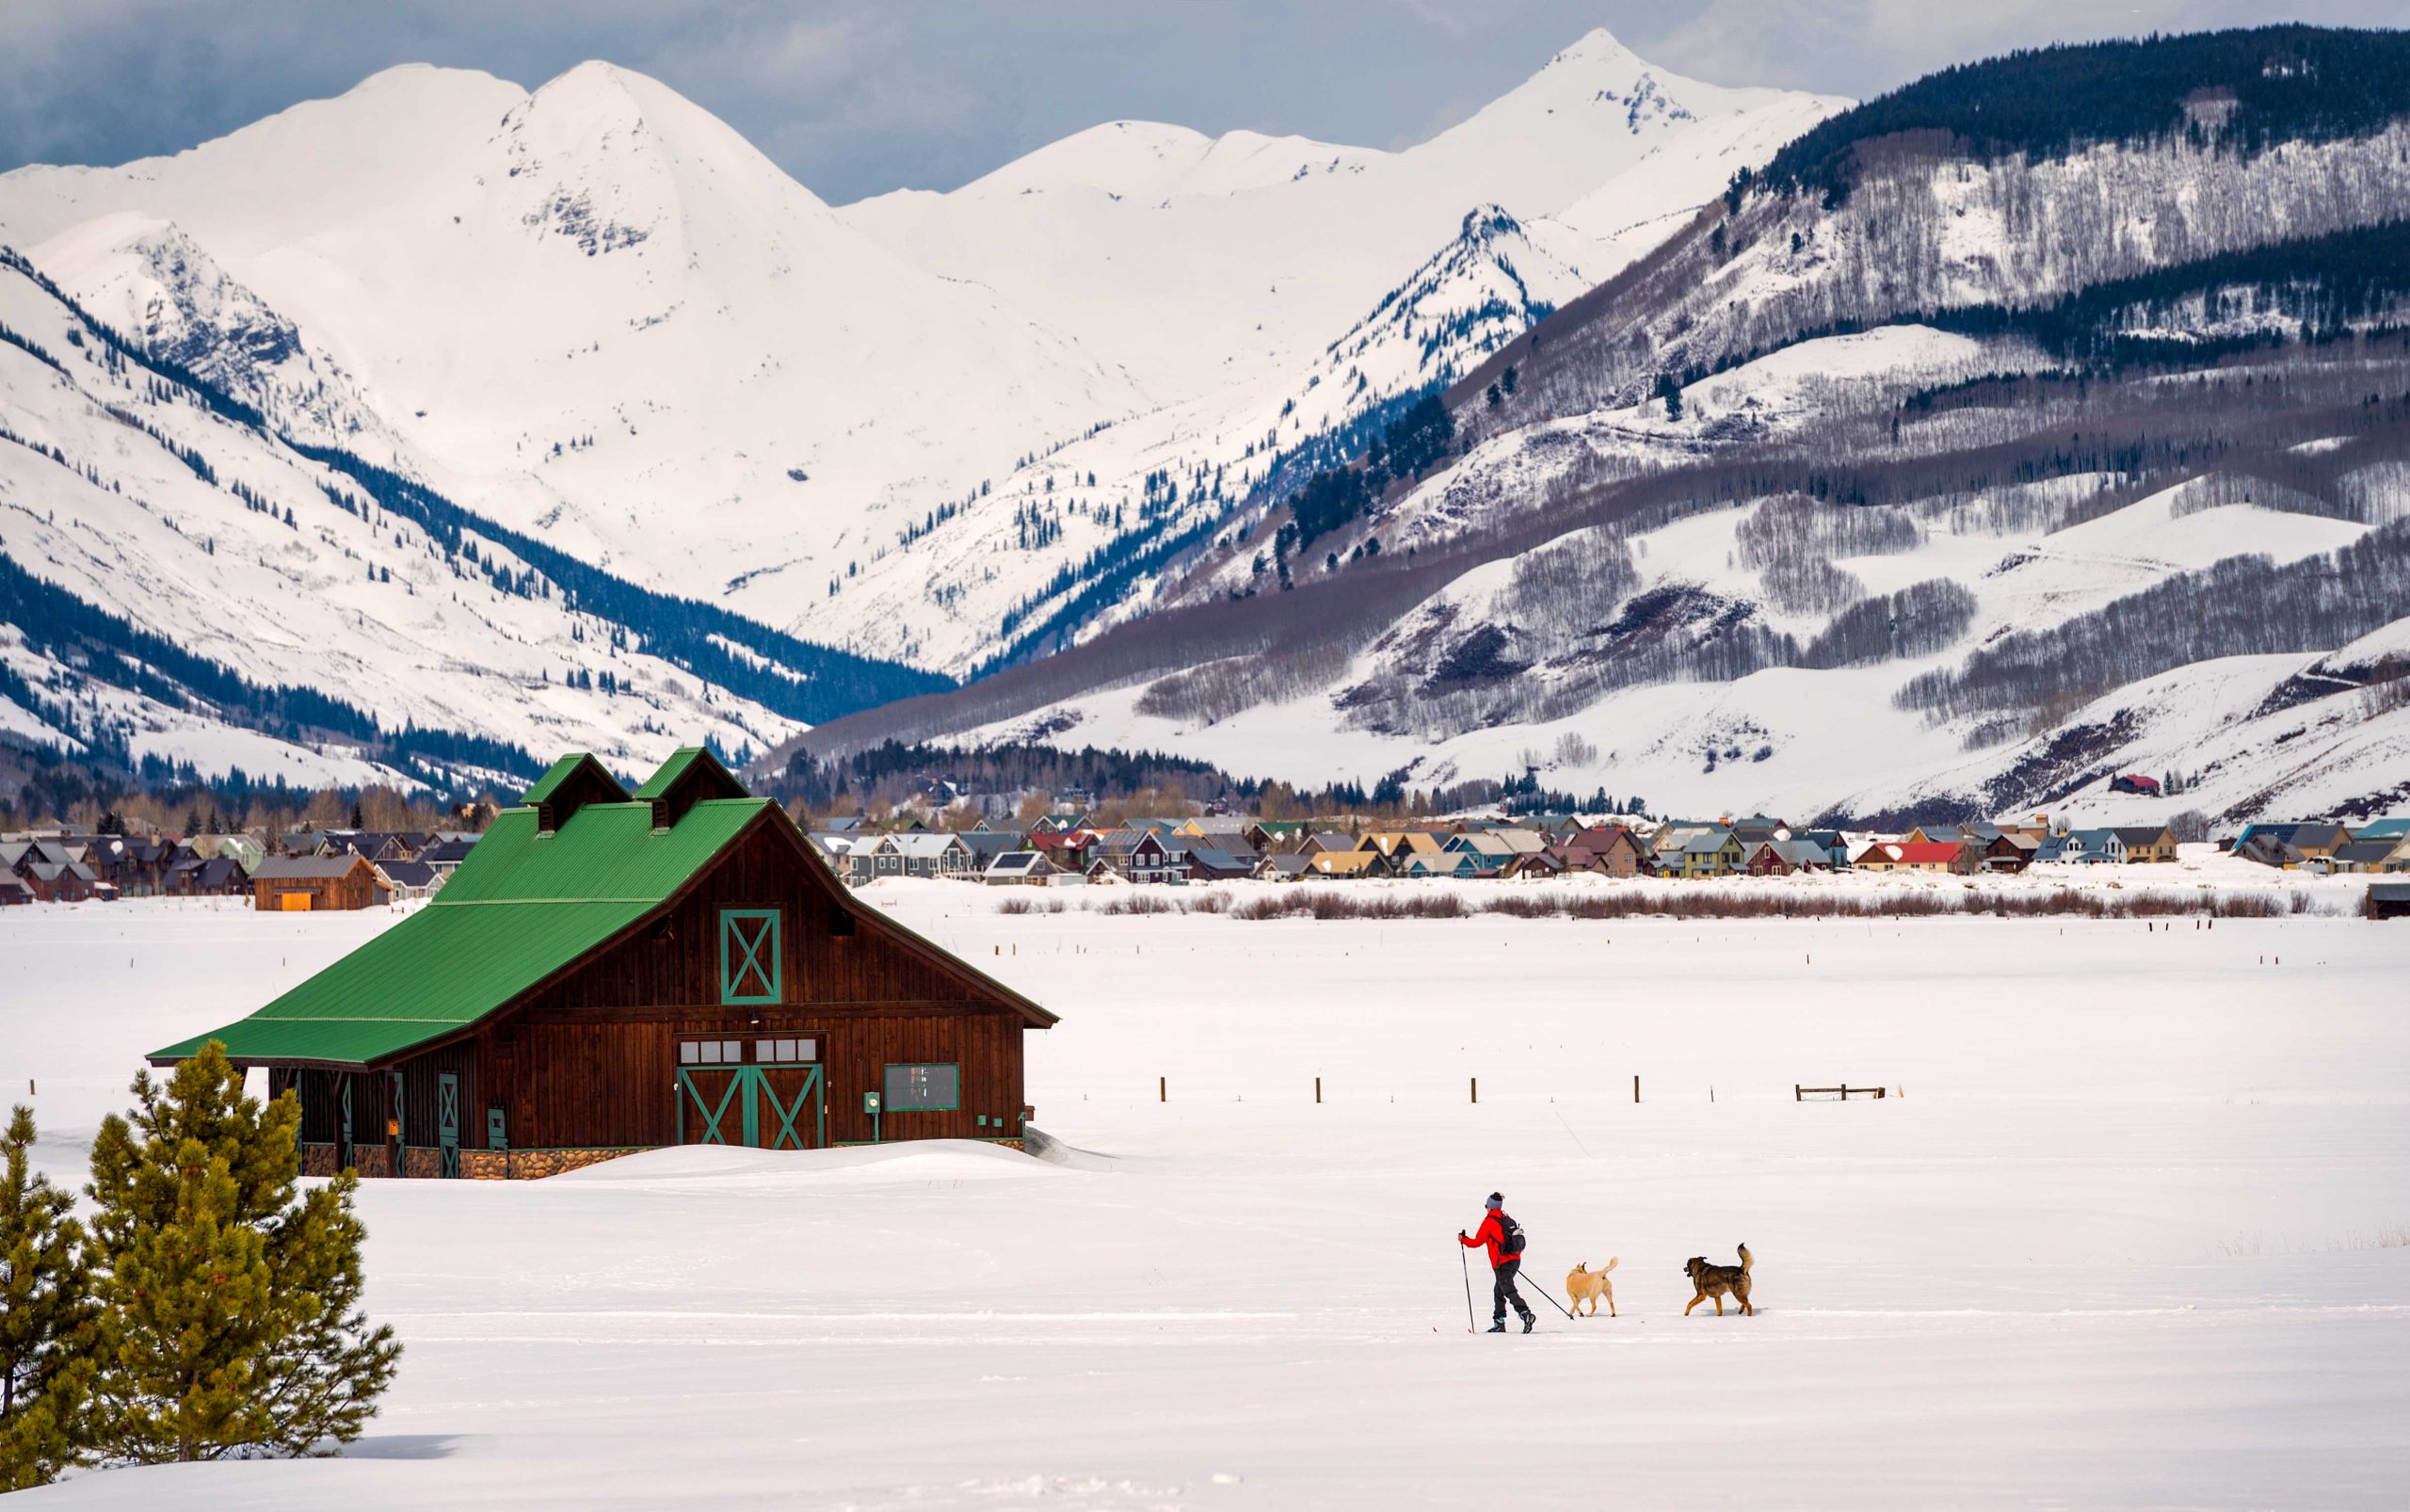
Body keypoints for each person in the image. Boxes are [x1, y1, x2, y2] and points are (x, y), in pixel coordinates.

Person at [1458, 1191, 1534, 1332]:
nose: (1486, 1208)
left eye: (1486, 1205)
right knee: (1498, 1290)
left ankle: (1525, 1313)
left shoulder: (1489, 1222)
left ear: (1490, 1207)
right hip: (1515, 1261)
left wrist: (1463, 1240)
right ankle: (1499, 1322)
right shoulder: (1508, 1219)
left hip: (1502, 1263)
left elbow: (1476, 1242)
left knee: (1508, 1290)